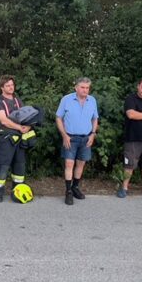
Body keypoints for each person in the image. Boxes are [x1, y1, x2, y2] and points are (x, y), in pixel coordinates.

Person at [56, 77, 99, 205]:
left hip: (86, 138)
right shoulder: (66, 99)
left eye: (87, 88)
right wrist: (64, 135)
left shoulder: (92, 100)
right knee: (69, 164)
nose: (85, 90)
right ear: (76, 88)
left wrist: (93, 134)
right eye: (82, 87)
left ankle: (75, 187)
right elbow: (58, 118)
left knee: (81, 164)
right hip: (70, 137)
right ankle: (68, 191)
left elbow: (95, 118)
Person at [0, 75, 32, 202]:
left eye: (12, 85)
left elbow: (25, 115)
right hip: (7, 137)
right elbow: (4, 121)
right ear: (2, 88)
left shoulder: (17, 100)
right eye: (8, 85)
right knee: (3, 165)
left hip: (20, 137)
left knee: (19, 165)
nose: (11, 87)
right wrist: (20, 128)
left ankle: (18, 190)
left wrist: (28, 126)